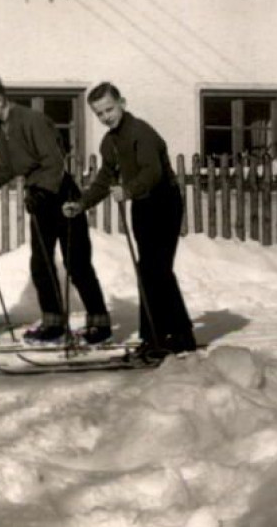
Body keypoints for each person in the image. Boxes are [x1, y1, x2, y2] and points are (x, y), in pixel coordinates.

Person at [0, 77, 110, 345]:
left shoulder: (32, 120)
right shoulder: (0, 132)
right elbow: (6, 169)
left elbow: (54, 160)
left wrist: (44, 191)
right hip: (39, 197)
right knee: (41, 262)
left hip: (61, 194)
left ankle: (99, 322)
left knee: (76, 262)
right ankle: (54, 322)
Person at [65, 83, 197, 361]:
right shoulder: (109, 142)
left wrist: (128, 190)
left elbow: (153, 171)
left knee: (155, 269)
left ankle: (161, 337)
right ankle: (173, 335)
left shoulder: (141, 133)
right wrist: (82, 203)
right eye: (99, 113)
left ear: (122, 103)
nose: (106, 117)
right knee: (150, 269)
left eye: (109, 109)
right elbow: (104, 179)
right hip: (142, 203)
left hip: (163, 202)